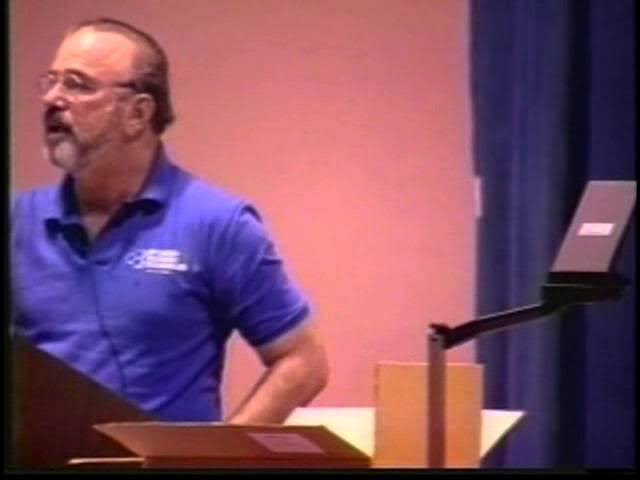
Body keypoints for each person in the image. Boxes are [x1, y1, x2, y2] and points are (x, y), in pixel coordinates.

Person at [11, 18, 329, 424]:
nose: (53, 98)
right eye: (51, 81)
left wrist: (221, 452)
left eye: (77, 85)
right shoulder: (19, 221)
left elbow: (303, 361)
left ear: (138, 113)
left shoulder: (217, 224)